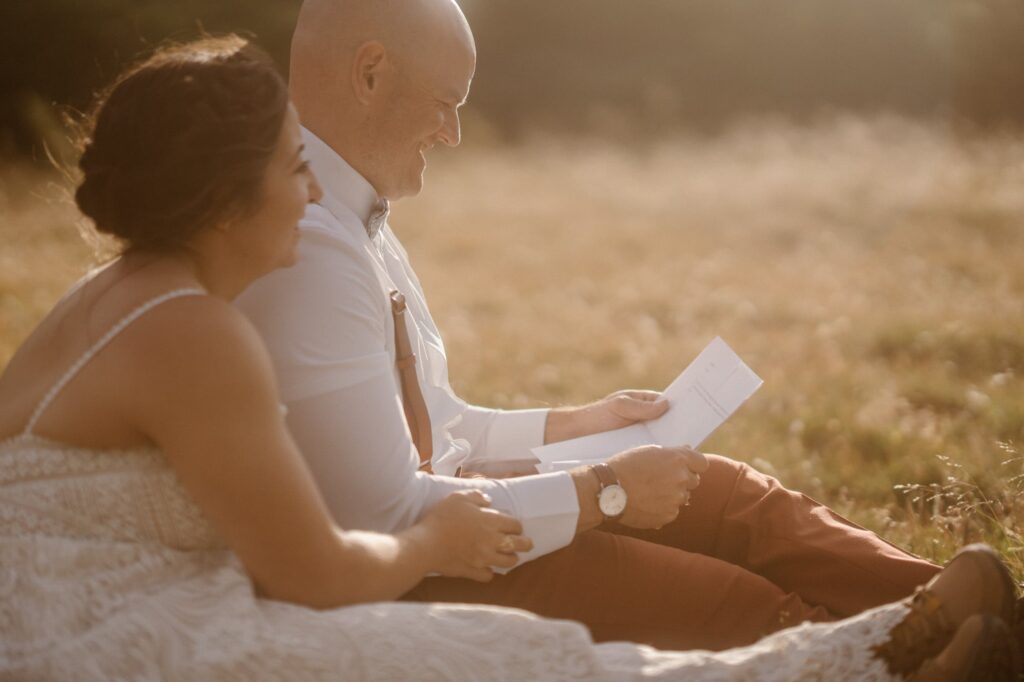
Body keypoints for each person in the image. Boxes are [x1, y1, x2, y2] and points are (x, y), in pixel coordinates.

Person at [0, 32, 1020, 682]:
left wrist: (577, 438)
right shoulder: (196, 326)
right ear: (223, 200)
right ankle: (890, 657)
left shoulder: (128, 302)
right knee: (535, 653)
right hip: (122, 633)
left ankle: (940, 626)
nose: (308, 194)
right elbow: (326, 552)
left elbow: (405, 437)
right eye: (287, 169)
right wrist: (483, 529)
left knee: (722, 499)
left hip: (146, 599)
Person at [237, 0, 944, 653]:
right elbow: (385, 516)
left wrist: (579, 424)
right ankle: (917, 660)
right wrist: (607, 489)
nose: (452, 134)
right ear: (369, 73)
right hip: (435, 566)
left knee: (729, 495)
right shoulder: (306, 248)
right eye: (446, 104)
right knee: (738, 605)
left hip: (472, 511)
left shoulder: (359, 219)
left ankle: (959, 609)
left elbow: (439, 425)